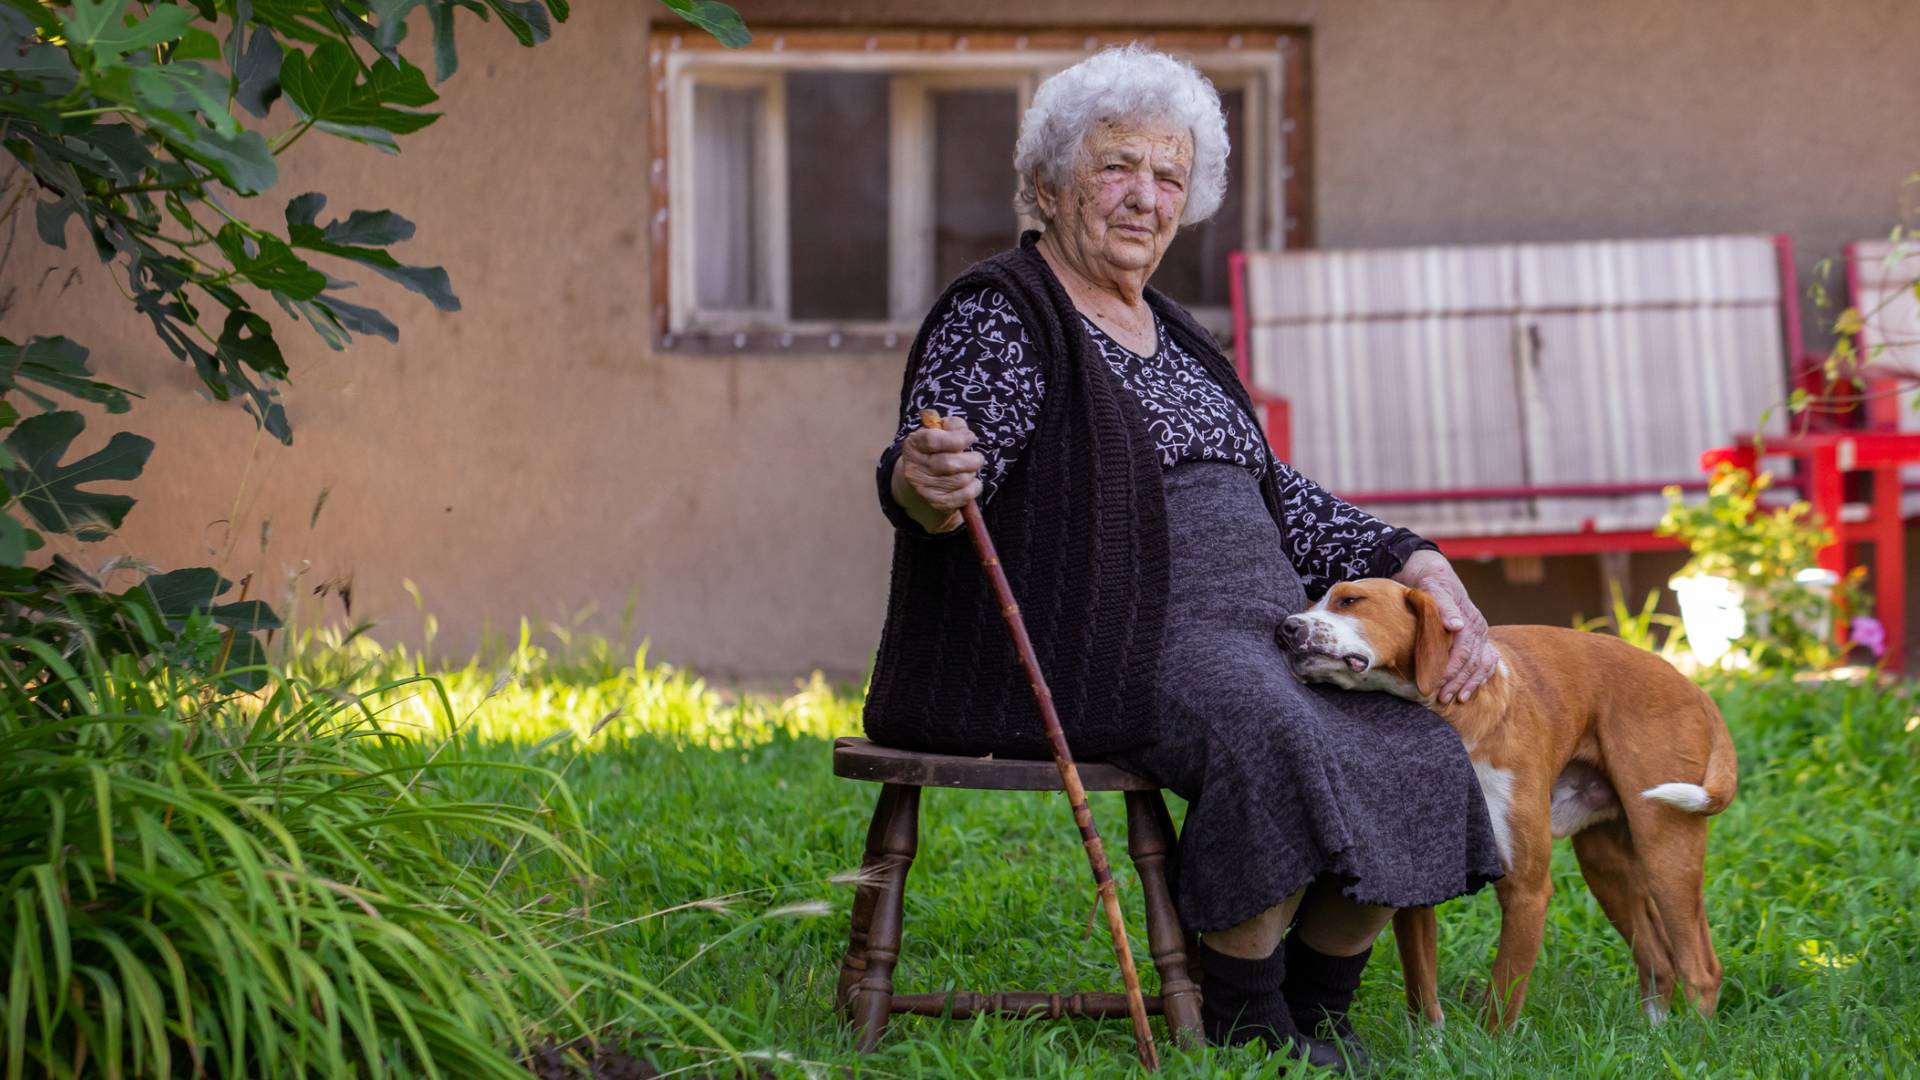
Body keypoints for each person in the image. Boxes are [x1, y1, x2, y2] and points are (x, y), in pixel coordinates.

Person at [864, 45, 1504, 1070]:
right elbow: (942, 462)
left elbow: (1279, 499)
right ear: (1049, 183)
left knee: (1413, 739)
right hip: (1108, 636)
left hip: (1257, 625)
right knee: (1268, 723)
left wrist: (1413, 558)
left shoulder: (1178, 333)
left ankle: (1318, 1005)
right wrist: (920, 480)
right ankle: (1249, 1015)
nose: (1144, 198)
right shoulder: (1007, 313)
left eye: (1169, 177)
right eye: (1118, 167)